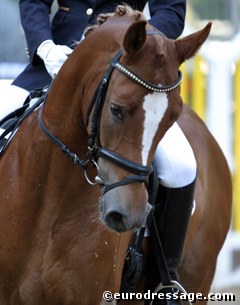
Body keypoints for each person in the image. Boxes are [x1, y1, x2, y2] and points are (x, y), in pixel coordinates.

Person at [0, 0, 196, 299]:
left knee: (181, 165)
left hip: (130, 67)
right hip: (56, 61)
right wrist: (45, 46)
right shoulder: (51, 53)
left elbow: (170, 10)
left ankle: (163, 279)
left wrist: (144, 45)